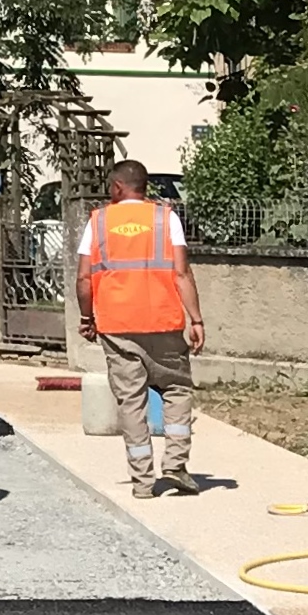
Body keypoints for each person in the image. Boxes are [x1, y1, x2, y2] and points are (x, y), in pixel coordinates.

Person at [76, 157, 206, 500]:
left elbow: (84, 279)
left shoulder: (98, 222)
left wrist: (87, 318)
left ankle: (142, 482)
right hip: (163, 322)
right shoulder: (167, 218)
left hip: (117, 327)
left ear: (118, 186)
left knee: (131, 402)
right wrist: (196, 319)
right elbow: (181, 274)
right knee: (177, 389)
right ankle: (175, 464)